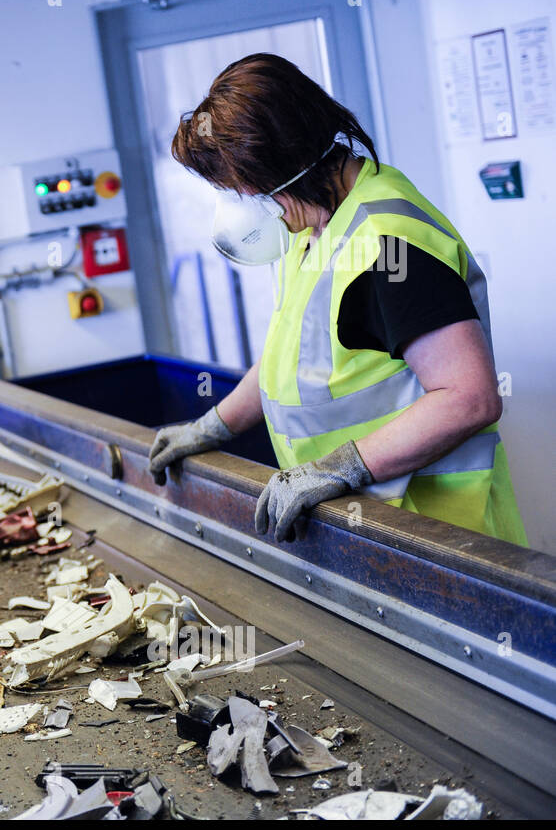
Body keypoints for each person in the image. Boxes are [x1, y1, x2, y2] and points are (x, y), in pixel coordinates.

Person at [149, 54, 526, 546]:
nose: (244, 205)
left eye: (245, 189)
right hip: (362, 530)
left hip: (440, 536)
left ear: (282, 165)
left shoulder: (390, 245)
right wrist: (210, 428)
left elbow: (469, 397)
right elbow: (285, 361)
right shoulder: (310, 227)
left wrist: (339, 467)